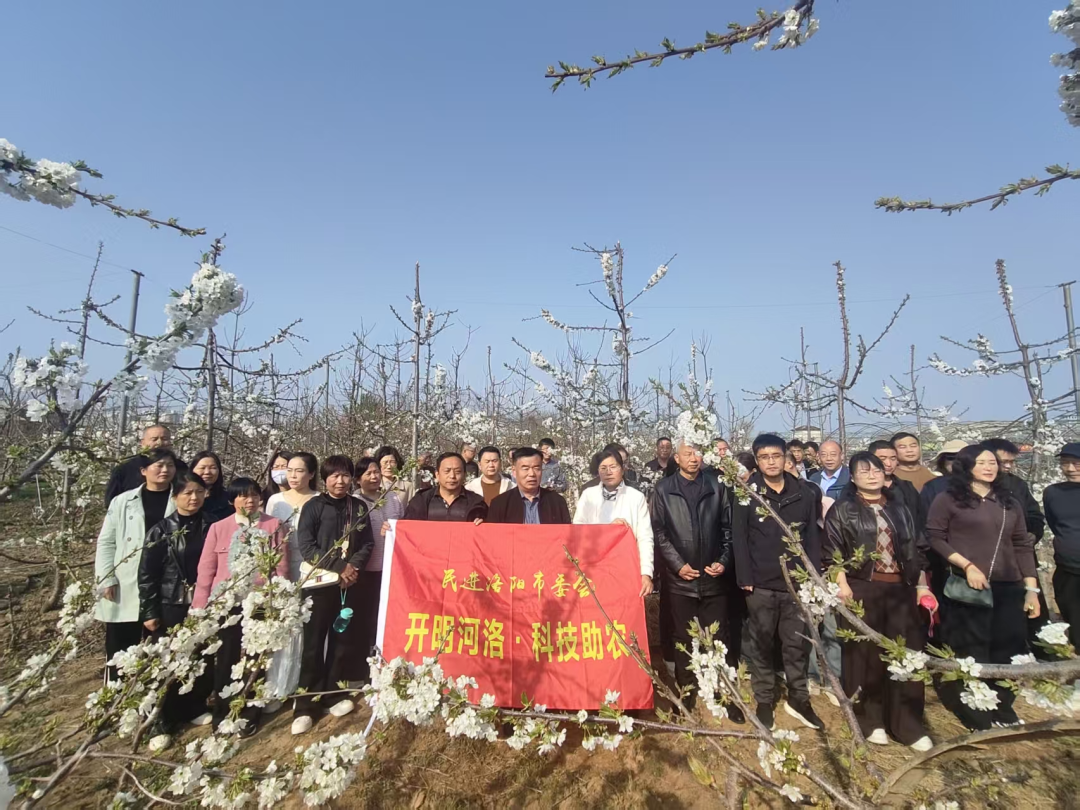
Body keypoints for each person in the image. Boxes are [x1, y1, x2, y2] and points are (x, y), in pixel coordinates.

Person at [824, 452, 935, 751]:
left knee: (906, 654)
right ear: (853, 477)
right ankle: (870, 719)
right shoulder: (843, 510)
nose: (872, 475)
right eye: (863, 471)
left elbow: (917, 551)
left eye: (876, 470)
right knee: (865, 656)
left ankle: (908, 723)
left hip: (901, 589)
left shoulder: (900, 509)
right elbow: (831, 552)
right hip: (863, 589)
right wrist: (843, 585)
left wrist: (922, 587)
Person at [926, 443, 1040, 730]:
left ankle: (1003, 707)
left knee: (1008, 647)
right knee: (972, 650)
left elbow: (1022, 545)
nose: (989, 467)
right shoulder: (949, 498)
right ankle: (976, 711)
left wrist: (1032, 589)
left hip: (1007, 585)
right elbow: (936, 537)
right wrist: (966, 565)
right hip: (968, 587)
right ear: (967, 466)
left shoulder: (1008, 501)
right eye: (982, 462)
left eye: (993, 463)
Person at [732, 434, 822, 730]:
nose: (771, 462)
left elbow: (812, 537)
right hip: (760, 583)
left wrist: (813, 576)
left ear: (787, 458)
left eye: (776, 456)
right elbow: (740, 538)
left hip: (796, 583)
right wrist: (744, 577)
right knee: (760, 643)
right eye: (764, 457)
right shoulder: (747, 493)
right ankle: (764, 698)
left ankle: (799, 698)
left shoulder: (805, 493)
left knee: (796, 644)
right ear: (757, 461)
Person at [192, 477, 288, 736]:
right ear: (232, 500)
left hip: (258, 600)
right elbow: (207, 570)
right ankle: (222, 713)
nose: (250, 500)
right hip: (228, 602)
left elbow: (280, 566)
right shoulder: (218, 528)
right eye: (243, 496)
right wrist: (200, 605)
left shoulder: (273, 525)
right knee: (226, 656)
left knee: (256, 654)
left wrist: (274, 599)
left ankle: (249, 713)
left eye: (254, 495)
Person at [650, 440, 736, 712]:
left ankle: (723, 690)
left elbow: (728, 528)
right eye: (687, 453)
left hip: (713, 578)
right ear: (677, 457)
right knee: (683, 638)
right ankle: (686, 690)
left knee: (718, 637)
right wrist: (677, 565)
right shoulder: (664, 489)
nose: (694, 458)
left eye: (698, 453)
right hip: (681, 580)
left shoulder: (716, 486)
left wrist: (723, 560)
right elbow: (659, 532)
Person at [291, 456, 375, 734]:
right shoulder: (313, 506)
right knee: (313, 643)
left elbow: (367, 543)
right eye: (334, 476)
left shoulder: (358, 507)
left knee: (342, 640)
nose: (340, 482)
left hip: (349, 585)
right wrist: (340, 567)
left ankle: (333, 694)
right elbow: (307, 546)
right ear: (324, 479)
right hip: (319, 585)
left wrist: (353, 568)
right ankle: (305, 705)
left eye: (345, 476)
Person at [138, 469, 214, 747]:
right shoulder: (161, 530)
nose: (194, 498)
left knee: (200, 658)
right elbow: (146, 574)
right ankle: (160, 720)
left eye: (199, 492)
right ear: (175, 496)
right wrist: (149, 611)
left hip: (204, 602)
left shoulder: (211, 524)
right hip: (171, 602)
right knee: (166, 662)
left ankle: (193, 706)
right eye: (187, 493)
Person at [95, 448, 178, 683]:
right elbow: (107, 541)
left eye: (169, 465)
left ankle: (153, 705)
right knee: (120, 646)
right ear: (144, 471)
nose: (164, 470)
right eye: (158, 465)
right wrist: (106, 578)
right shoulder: (123, 501)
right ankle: (115, 697)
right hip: (126, 578)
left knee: (160, 645)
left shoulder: (180, 498)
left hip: (164, 579)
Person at [263, 452, 320, 707]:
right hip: (281, 567)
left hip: (312, 567)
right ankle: (277, 685)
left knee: (309, 625)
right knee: (284, 625)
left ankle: (304, 685)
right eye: (290, 470)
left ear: (311, 474)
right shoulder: (275, 500)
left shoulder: (320, 500)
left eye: (299, 471)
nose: (293, 476)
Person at [573, 448, 654, 597]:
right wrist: (607, 531)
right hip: (594, 567)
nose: (608, 472)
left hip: (626, 568)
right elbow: (578, 531)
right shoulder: (588, 495)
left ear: (622, 469)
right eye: (603, 468)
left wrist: (646, 573)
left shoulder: (636, 498)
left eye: (613, 467)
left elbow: (645, 537)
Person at [354, 456, 405, 682]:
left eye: (376, 472)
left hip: (392, 570)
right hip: (366, 571)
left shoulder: (392, 498)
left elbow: (404, 526)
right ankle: (364, 667)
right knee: (366, 618)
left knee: (388, 619)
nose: (374, 477)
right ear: (358, 479)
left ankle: (386, 663)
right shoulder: (354, 502)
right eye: (368, 474)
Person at [1043, 442, 1080, 652]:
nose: (1071, 469)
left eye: (1076, 463)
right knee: (1074, 621)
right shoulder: (1053, 492)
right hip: (1068, 568)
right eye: (1066, 463)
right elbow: (1055, 523)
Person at [488, 447, 572, 524]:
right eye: (525, 468)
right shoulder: (500, 504)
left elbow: (566, 535)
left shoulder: (557, 502)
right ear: (514, 471)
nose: (531, 474)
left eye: (536, 468)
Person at [104, 424, 182, 506]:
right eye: (154, 439)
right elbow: (111, 502)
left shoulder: (181, 466)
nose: (159, 443)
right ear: (143, 443)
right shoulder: (124, 469)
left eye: (164, 439)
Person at [403, 452, 488, 522]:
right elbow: (407, 528)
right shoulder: (421, 500)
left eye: (457, 472)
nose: (452, 476)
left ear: (464, 475)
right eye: (447, 471)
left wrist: (483, 524)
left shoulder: (477, 502)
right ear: (437, 474)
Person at [868, 440, 923, 527]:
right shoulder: (859, 489)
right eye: (882, 459)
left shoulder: (907, 488)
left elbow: (919, 518)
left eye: (893, 459)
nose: (888, 464)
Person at [190, 450, 233, 523]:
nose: (207, 472)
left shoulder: (228, 499)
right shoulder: (180, 496)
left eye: (213, 468)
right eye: (202, 468)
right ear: (192, 470)